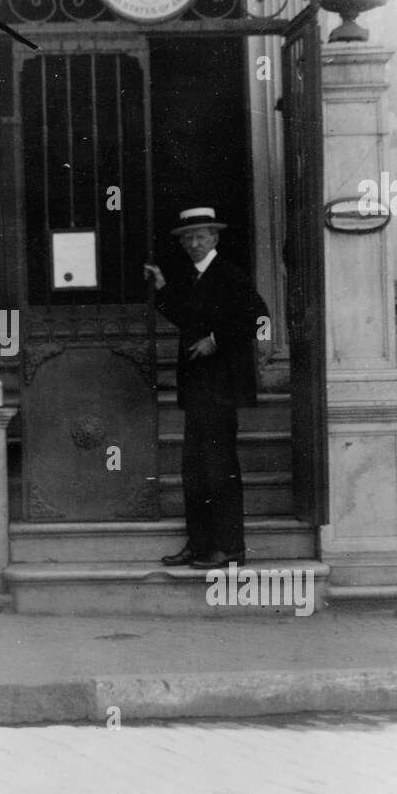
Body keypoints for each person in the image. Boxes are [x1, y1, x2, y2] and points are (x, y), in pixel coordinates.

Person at [144, 207, 270, 570]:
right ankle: (200, 545)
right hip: (200, 390)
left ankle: (230, 548)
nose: (194, 243)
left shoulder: (229, 275)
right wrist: (163, 288)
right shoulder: (196, 278)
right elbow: (188, 318)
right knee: (195, 470)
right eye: (188, 238)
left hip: (221, 388)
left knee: (219, 468)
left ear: (215, 238)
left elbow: (258, 317)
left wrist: (217, 340)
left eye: (201, 236)